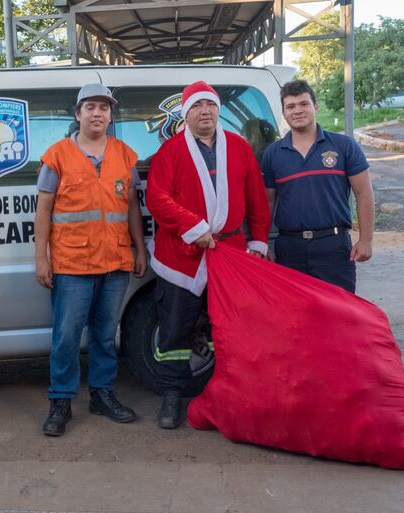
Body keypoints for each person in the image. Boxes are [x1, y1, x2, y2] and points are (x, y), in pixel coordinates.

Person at [146, 81, 271, 429]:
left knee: (227, 329)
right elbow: (157, 199)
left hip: (228, 254)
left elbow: (257, 199)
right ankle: (172, 397)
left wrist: (258, 241)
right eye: (197, 106)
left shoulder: (239, 147)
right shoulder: (170, 151)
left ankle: (226, 394)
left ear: (218, 110)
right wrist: (193, 226)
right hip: (181, 258)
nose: (205, 111)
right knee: (173, 331)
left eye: (210, 105)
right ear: (186, 114)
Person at [34, 83, 147, 437]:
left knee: (104, 334)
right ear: (77, 113)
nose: (97, 113)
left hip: (114, 262)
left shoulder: (126, 155)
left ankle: (102, 394)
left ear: (111, 115)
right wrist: (41, 258)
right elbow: (44, 209)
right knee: (66, 336)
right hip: (72, 264)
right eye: (90, 107)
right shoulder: (57, 155)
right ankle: (61, 401)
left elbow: (131, 207)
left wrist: (140, 249)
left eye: (104, 108)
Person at [261, 80, 374, 293]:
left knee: (339, 313)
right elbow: (267, 201)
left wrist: (366, 240)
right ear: (283, 112)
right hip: (289, 248)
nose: (298, 111)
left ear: (315, 107)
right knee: (296, 315)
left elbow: (364, 193)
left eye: (304, 104)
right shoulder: (273, 154)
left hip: (333, 245)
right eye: (291, 106)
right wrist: (263, 243)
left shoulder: (344, 146)